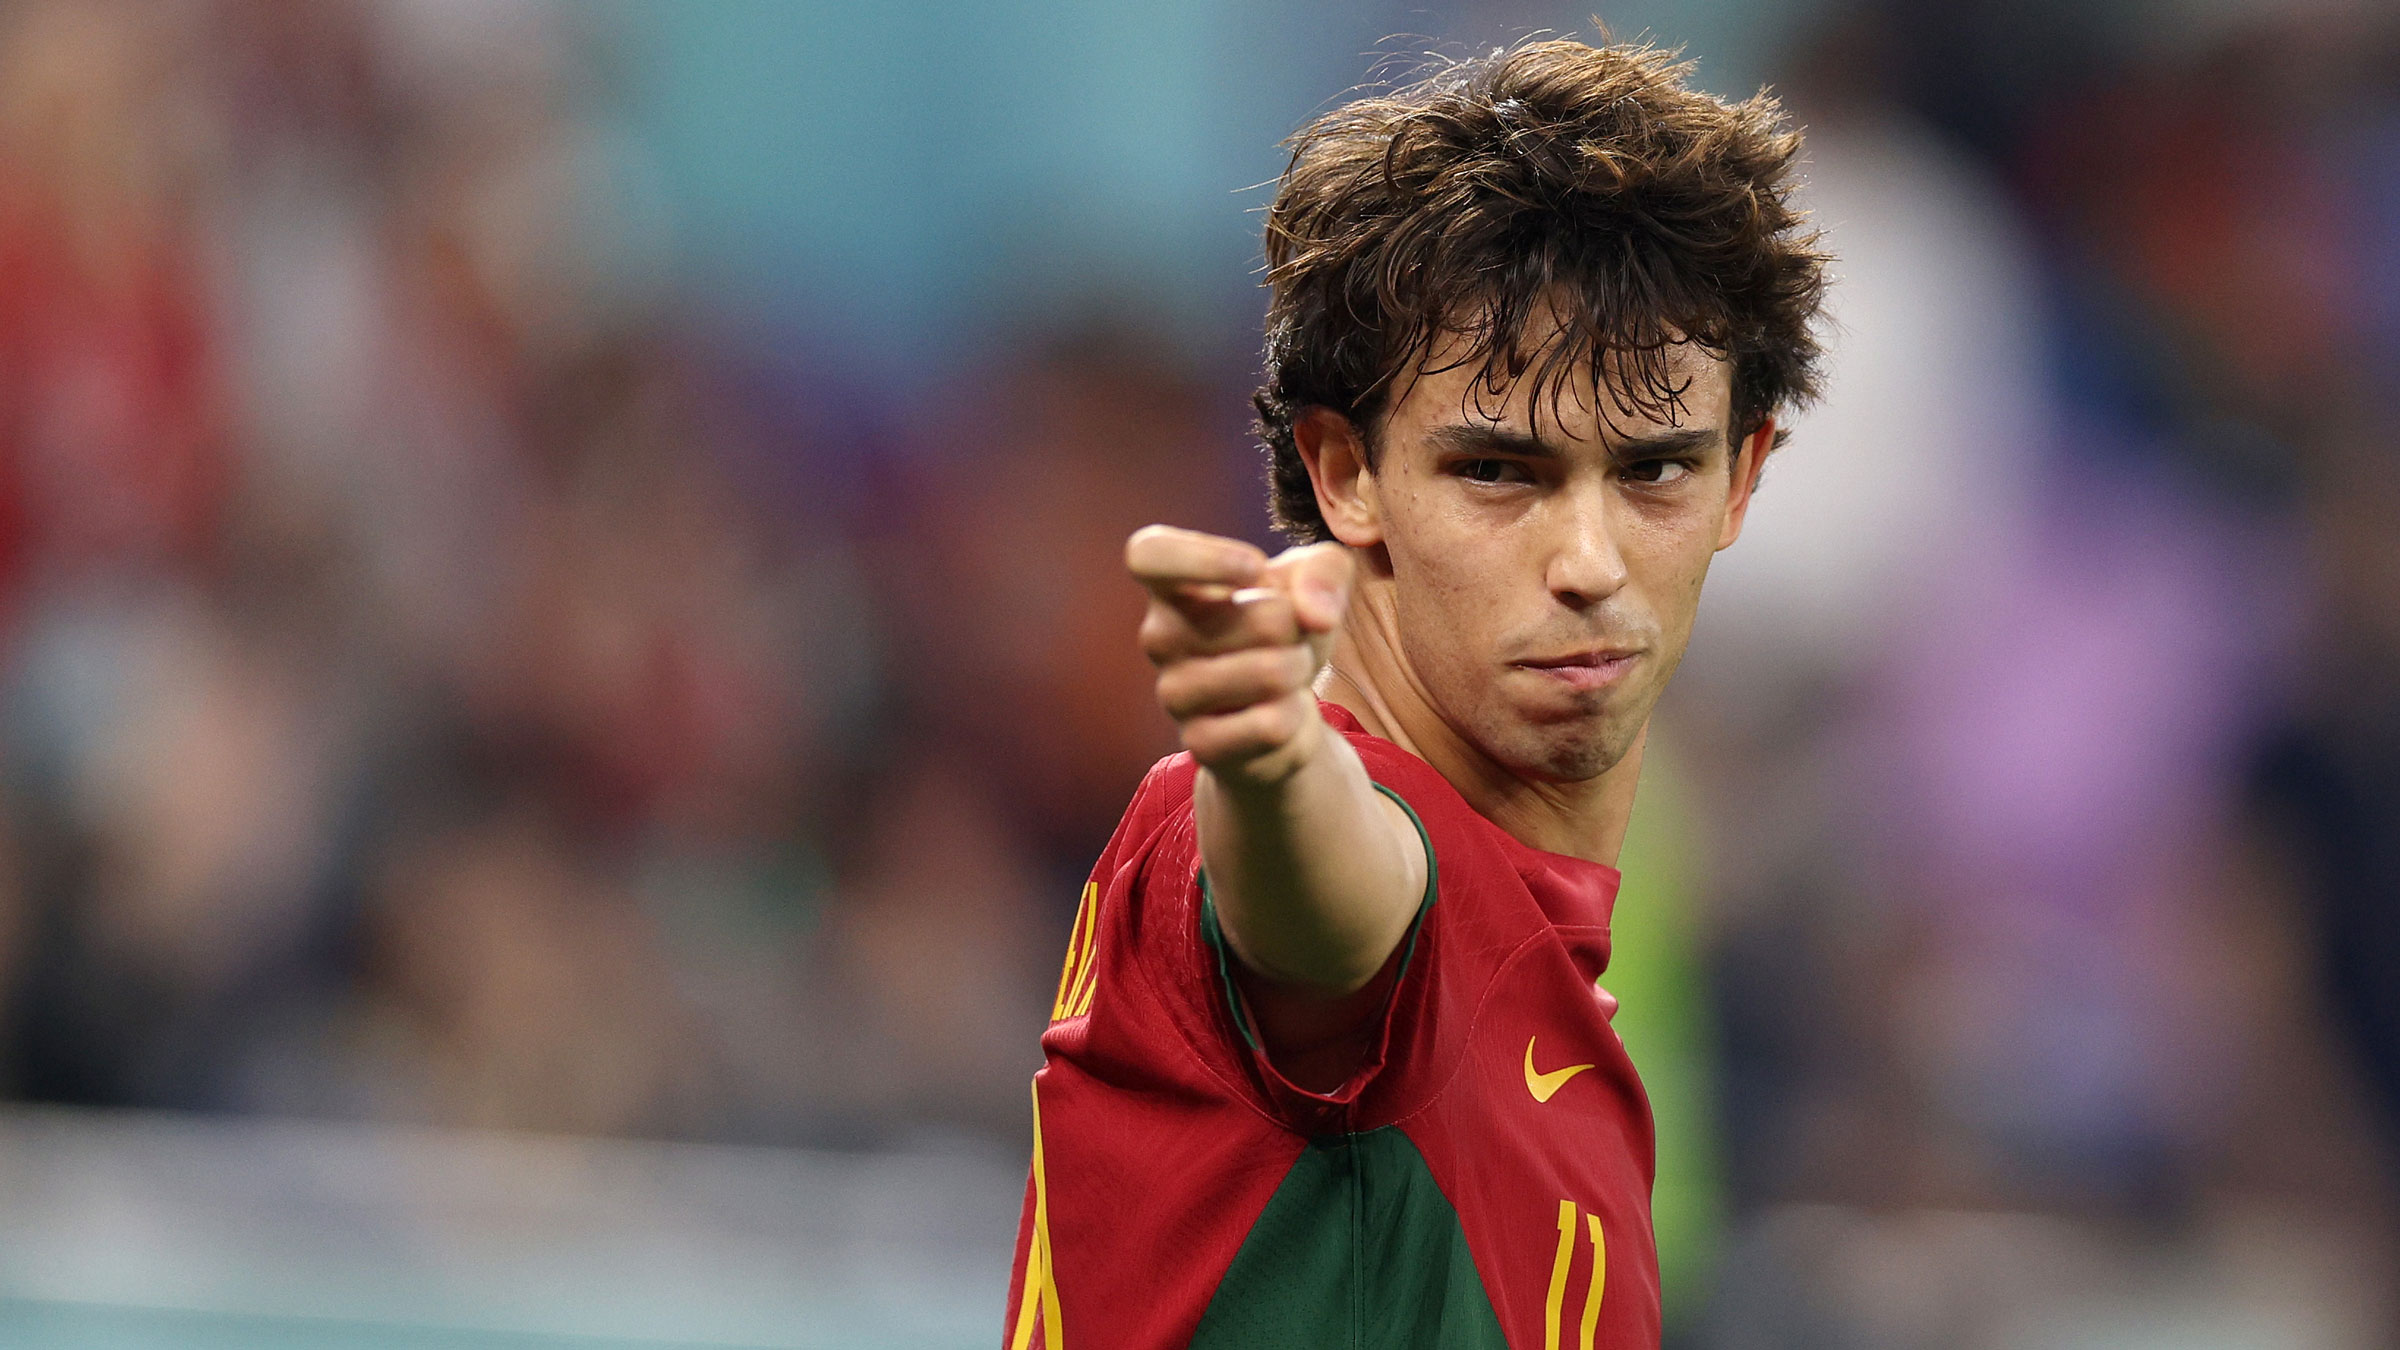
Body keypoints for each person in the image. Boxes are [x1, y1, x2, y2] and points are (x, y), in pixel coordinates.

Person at [1004, 36, 1828, 1349]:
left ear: (1744, 476)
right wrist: (1267, 761)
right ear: (1343, 475)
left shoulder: (1560, 986)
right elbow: (1329, 913)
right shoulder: (1321, 845)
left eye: (1657, 470)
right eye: (1500, 471)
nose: (1591, 560)